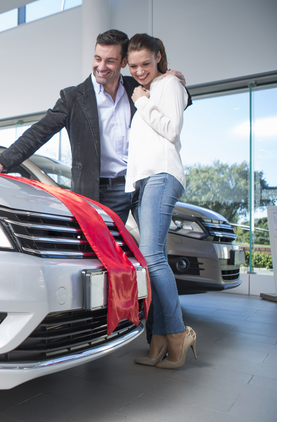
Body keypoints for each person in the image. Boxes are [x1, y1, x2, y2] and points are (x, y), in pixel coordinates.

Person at [0, 29, 189, 224]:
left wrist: (175, 82)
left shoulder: (138, 87)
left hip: (141, 183)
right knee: (104, 255)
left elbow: (174, 106)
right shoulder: (74, 98)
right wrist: (1, 163)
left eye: (110, 61)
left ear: (124, 62)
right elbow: (39, 132)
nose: (101, 66)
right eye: (97, 59)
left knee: (150, 250)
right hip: (103, 191)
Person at [126, 33, 195, 369]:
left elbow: (171, 130)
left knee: (152, 257)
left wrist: (141, 100)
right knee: (150, 259)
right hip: (145, 181)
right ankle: (158, 340)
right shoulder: (152, 89)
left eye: (146, 64)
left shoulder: (167, 85)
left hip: (162, 175)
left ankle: (179, 333)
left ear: (159, 58)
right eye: (134, 65)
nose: (140, 71)